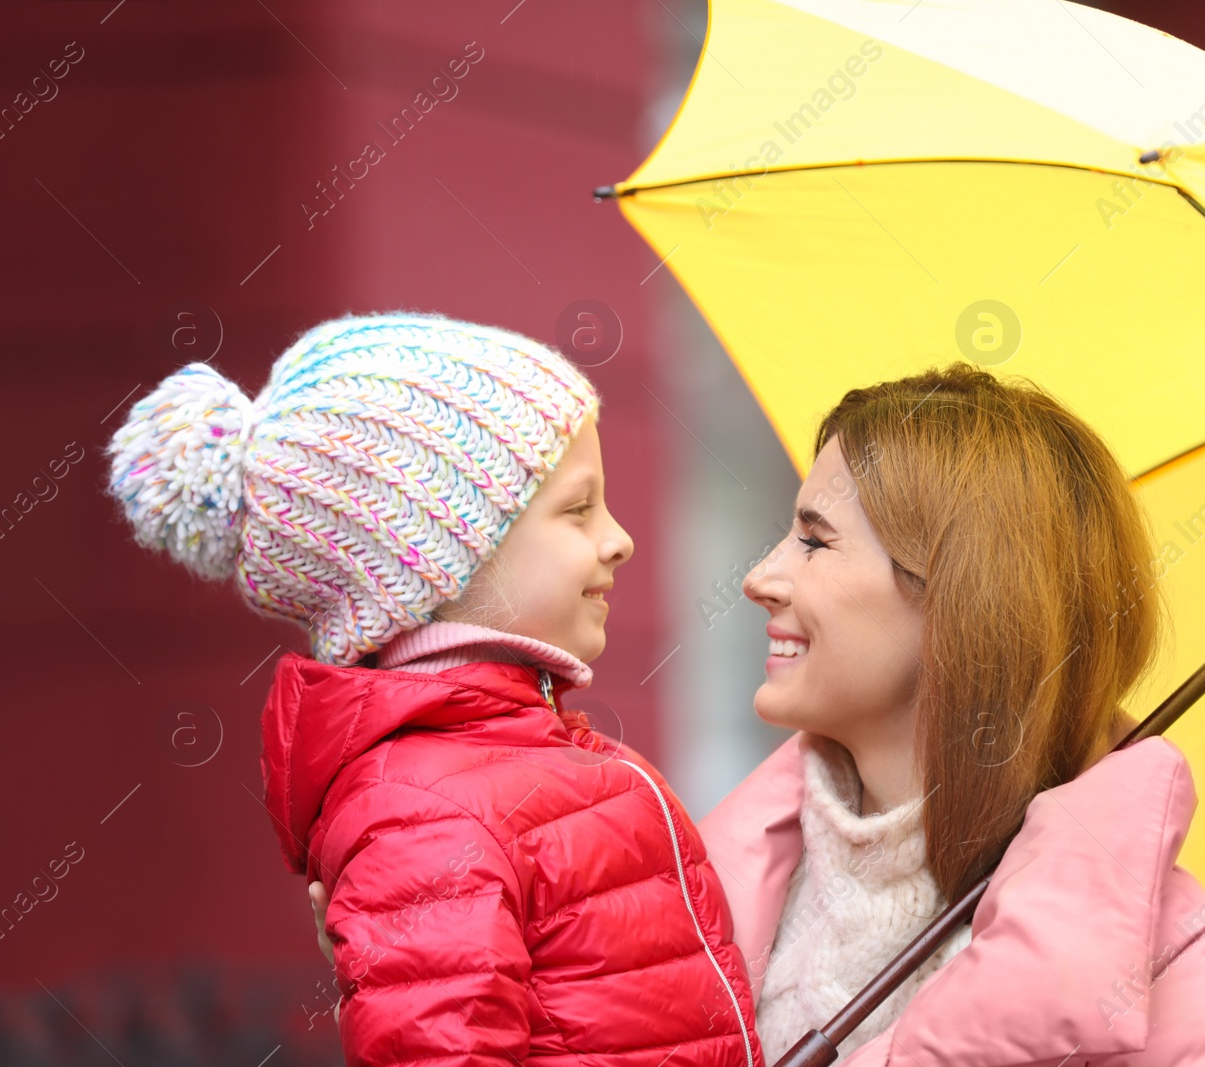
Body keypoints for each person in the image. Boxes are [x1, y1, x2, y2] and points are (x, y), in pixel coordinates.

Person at [107, 313, 761, 1067]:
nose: (618, 537)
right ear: (442, 557)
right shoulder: (425, 811)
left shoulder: (522, 761)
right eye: (578, 508)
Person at [705, 363, 1205, 1066]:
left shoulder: (1185, 980)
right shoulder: (687, 882)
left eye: (814, 540)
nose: (760, 578)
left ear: (959, 599)